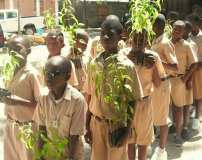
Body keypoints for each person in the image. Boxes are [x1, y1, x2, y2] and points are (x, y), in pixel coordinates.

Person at [84, 18, 143, 160]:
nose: (105, 37)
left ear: (120, 36)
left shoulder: (126, 66)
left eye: (109, 34)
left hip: (116, 127)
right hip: (96, 124)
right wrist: (87, 125)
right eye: (102, 33)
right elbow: (90, 95)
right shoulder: (94, 63)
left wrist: (127, 130)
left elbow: (132, 100)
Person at [33, 56, 87, 160]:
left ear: (67, 77)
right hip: (50, 153)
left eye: (55, 74)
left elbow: (74, 136)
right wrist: (39, 156)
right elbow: (42, 129)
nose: (48, 77)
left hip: (69, 154)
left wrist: (70, 158)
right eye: (47, 72)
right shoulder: (43, 97)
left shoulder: (77, 100)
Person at [124, 30, 166, 160]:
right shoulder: (123, 54)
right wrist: (128, 60)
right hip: (127, 103)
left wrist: (152, 67)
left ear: (146, 42)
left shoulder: (153, 57)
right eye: (135, 40)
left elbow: (158, 84)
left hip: (145, 103)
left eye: (141, 40)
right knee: (129, 140)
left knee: (143, 141)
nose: (138, 44)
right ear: (130, 40)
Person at [3, 35, 42, 160]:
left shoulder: (32, 74)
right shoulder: (9, 71)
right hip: (10, 126)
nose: (13, 52)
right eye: (10, 49)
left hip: (27, 129)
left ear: (28, 51)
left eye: (18, 49)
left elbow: (41, 105)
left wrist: (17, 101)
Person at [151, 14, 178, 160]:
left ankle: (162, 150)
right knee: (154, 115)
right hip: (155, 84)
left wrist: (157, 61)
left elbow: (175, 66)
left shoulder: (165, 43)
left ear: (159, 26)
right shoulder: (156, 41)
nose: (152, 27)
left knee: (162, 118)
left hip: (162, 83)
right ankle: (154, 146)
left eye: (154, 24)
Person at [171, 20, 198, 145]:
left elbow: (194, 64)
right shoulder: (167, 43)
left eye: (180, 30)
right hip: (167, 80)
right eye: (175, 29)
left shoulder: (187, 45)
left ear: (183, 32)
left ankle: (178, 134)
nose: (176, 32)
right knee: (170, 108)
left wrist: (186, 78)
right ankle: (175, 129)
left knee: (179, 108)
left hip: (179, 80)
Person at [182, 21, 199, 139]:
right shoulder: (178, 42)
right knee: (178, 103)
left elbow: (194, 64)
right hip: (178, 77)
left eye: (184, 29)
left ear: (188, 30)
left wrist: (189, 79)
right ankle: (177, 124)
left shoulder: (191, 44)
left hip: (187, 76)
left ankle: (185, 127)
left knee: (187, 103)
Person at [189, 15, 202, 131]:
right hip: (189, 69)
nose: (191, 26)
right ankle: (191, 115)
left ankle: (197, 118)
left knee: (198, 96)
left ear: (198, 24)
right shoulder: (188, 36)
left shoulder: (201, 37)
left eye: (192, 23)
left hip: (199, 70)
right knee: (190, 94)